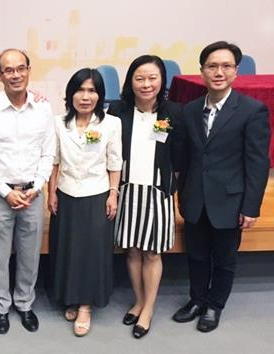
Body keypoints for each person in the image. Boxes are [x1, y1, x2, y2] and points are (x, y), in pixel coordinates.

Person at [172, 41, 270, 332]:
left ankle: (215, 306)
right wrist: (182, 193)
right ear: (201, 71)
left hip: (230, 200)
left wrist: (251, 206)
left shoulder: (252, 110)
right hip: (195, 197)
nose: (218, 72)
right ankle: (197, 300)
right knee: (197, 254)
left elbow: (257, 163)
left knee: (225, 259)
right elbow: (186, 158)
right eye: (212, 66)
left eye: (226, 66)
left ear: (236, 72)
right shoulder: (189, 110)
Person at [0, 49, 55, 334]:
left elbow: (48, 153)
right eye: (9, 70)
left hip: (33, 194)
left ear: (29, 70)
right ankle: (0, 307)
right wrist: (5, 191)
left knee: (30, 253)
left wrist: (38, 185)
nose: (16, 74)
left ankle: (24, 303)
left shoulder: (44, 108)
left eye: (21, 68)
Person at [106, 55, 183, 339]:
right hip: (126, 191)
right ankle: (138, 301)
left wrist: (173, 189)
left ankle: (148, 308)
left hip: (157, 193)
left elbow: (181, 155)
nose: (146, 84)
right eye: (140, 78)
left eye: (152, 77)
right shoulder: (117, 110)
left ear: (162, 80)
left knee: (152, 252)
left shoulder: (174, 112)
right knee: (132, 250)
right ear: (131, 81)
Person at [48, 68, 122, 337]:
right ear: (71, 94)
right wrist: (51, 192)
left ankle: (85, 306)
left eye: (92, 91)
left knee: (91, 251)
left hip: (96, 193)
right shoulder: (58, 122)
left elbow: (115, 162)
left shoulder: (111, 124)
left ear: (100, 95)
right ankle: (70, 295)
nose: (85, 96)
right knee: (67, 247)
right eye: (80, 90)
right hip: (66, 192)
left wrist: (113, 193)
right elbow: (54, 159)